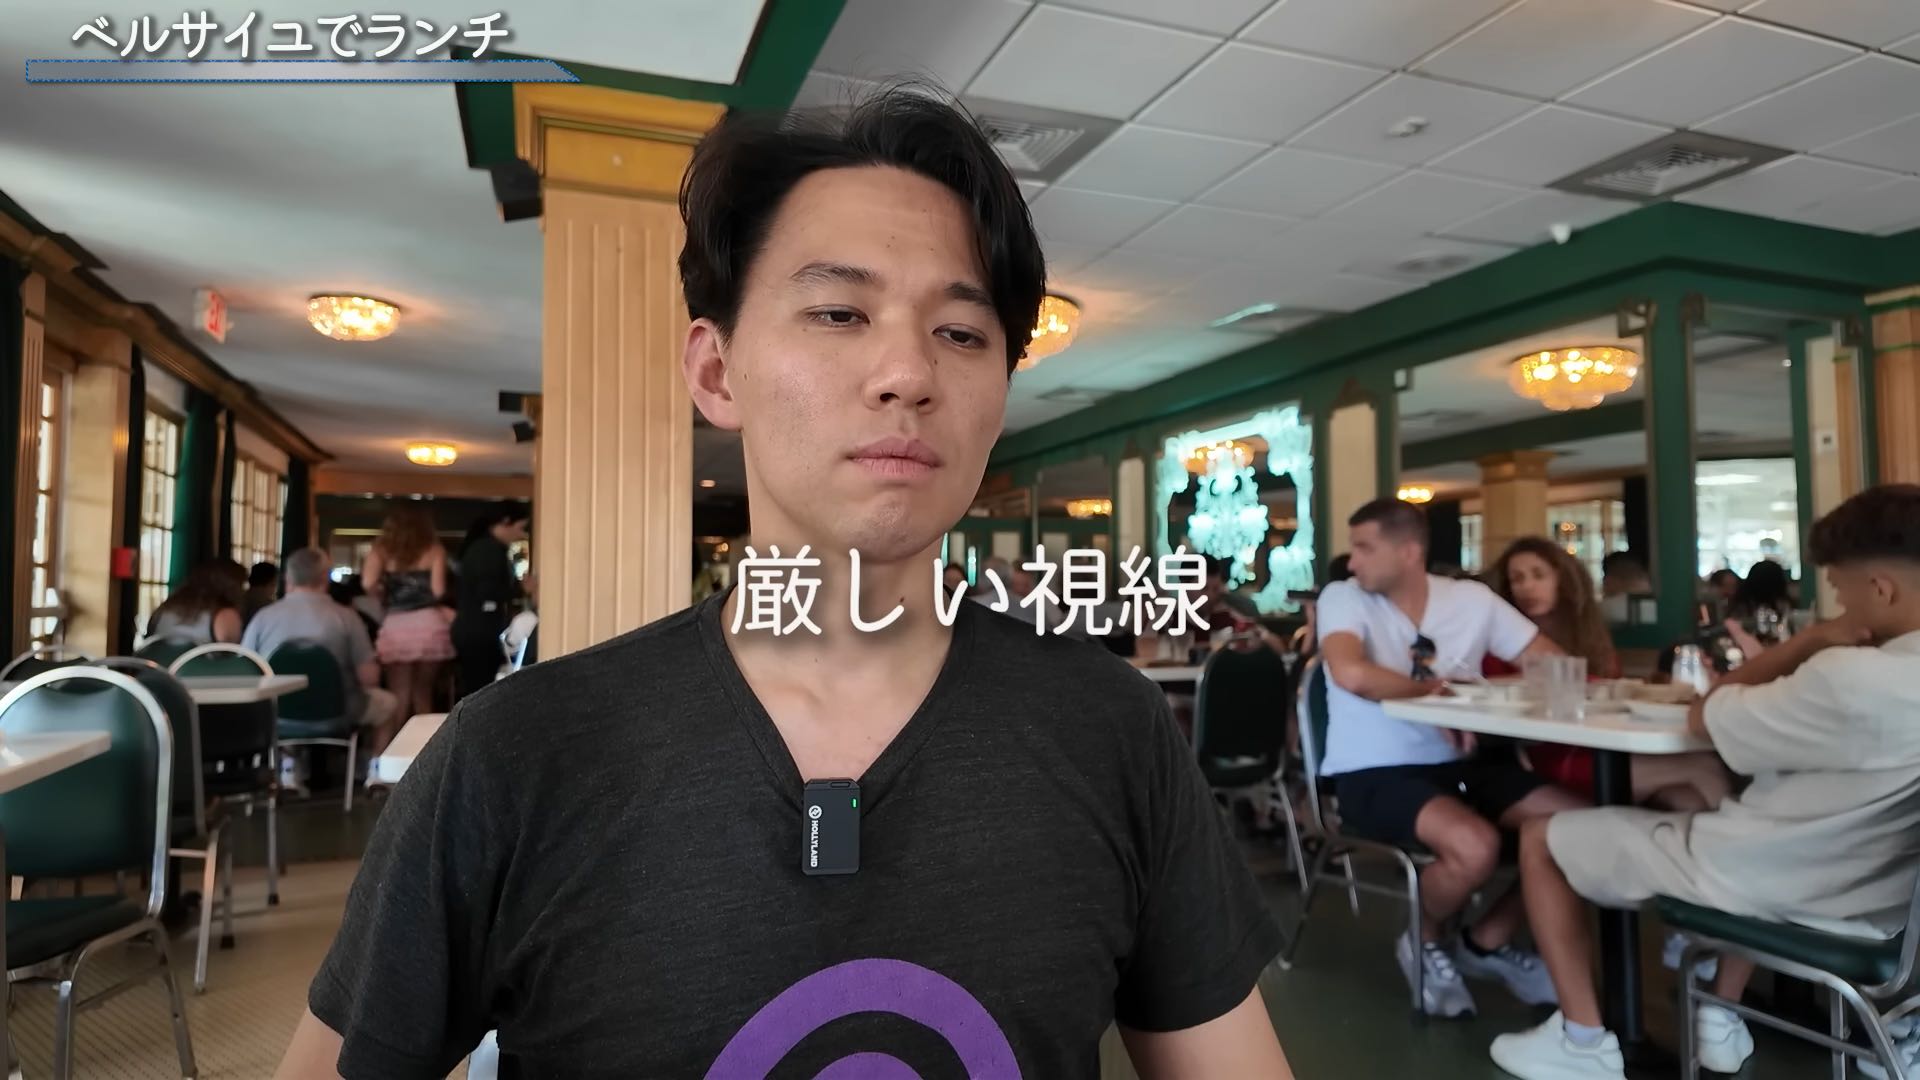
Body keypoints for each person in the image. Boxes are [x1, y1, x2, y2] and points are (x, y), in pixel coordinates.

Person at [277, 87, 1290, 1079]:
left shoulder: (1111, 731)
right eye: (840, 312)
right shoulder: (515, 758)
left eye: (962, 332)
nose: (909, 374)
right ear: (716, 372)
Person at [1489, 485, 1920, 1080]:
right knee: (1714, 794)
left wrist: (1811, 639)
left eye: (1842, 591)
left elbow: (1705, 713)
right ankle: (1723, 1010)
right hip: (1886, 903)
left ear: (1881, 589)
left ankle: (1582, 1041)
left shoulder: (1850, 679)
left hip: (1778, 882)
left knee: (1541, 837)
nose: (1839, 606)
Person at [1317, 499, 1582, 1018]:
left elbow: (1552, 663)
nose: (1353, 561)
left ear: (1408, 552)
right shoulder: (1343, 597)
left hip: (1463, 764)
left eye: (1364, 548)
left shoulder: (1471, 600)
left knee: (1584, 826)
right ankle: (1426, 937)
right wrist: (1439, 693)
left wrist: (1476, 696)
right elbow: (1351, 673)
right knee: (1475, 846)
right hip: (1370, 770)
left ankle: (1486, 939)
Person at [1487, 538, 1731, 812]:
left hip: (1606, 747)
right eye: (1517, 579)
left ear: (1563, 580)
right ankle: (1741, 836)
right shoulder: (1502, 645)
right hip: (1551, 758)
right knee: (1703, 766)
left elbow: (1612, 692)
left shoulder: (1588, 637)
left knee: (1686, 799)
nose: (1527, 587)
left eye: (1538, 575)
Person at [243, 548, 399, 755]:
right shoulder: (346, 617)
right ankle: (375, 765)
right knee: (389, 704)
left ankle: (286, 760)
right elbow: (369, 678)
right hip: (338, 711)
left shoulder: (262, 618)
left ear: (288, 578)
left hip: (276, 714)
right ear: (325, 579)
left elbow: (246, 670)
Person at [361, 504, 454, 728]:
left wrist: (382, 593)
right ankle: (428, 745)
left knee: (399, 694)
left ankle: (396, 744)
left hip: (397, 625)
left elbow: (367, 583)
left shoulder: (381, 551)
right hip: (429, 623)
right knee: (424, 693)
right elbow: (438, 590)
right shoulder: (434, 550)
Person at [449, 506, 529, 703]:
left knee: (477, 687)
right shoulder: (488, 550)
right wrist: (520, 589)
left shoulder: (484, 548)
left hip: (474, 629)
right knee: (479, 690)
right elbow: (488, 590)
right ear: (505, 522)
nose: (521, 535)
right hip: (480, 631)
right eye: (520, 528)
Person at [147, 559, 246, 645]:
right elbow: (234, 652)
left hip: (160, 661)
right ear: (233, 586)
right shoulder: (225, 614)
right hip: (201, 662)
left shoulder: (165, 608)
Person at [243, 561, 280, 627]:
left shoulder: (239, 599)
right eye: (275, 583)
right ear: (272, 582)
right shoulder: (270, 607)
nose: (275, 590)